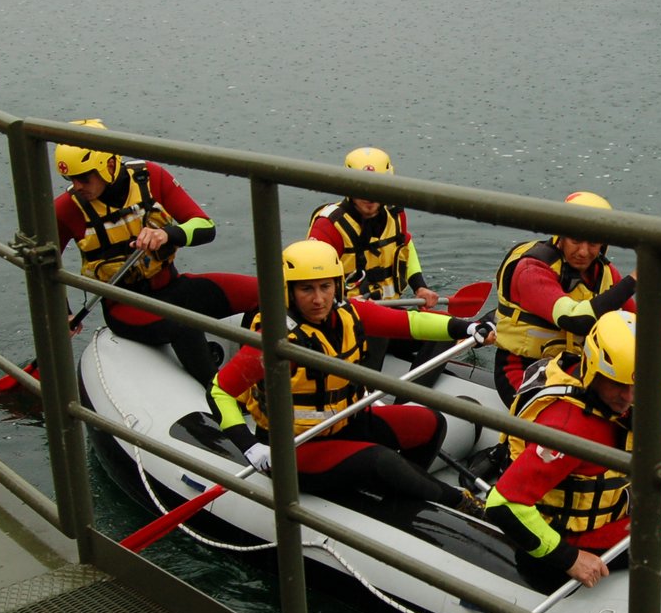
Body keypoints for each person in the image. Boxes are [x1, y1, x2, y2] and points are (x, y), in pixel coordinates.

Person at [485, 311, 661, 588]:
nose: (629, 397)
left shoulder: (613, 389)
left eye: (636, 385)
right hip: (563, 543)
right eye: (619, 386)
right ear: (595, 370)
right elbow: (503, 505)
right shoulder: (566, 428)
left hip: (605, 513)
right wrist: (569, 559)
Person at [207, 240, 493, 514]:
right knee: (380, 459)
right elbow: (219, 391)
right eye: (307, 289)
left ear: (337, 286)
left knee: (430, 423)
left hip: (346, 420)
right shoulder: (274, 341)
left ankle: (403, 497)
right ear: (289, 291)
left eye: (325, 286)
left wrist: (465, 328)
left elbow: (411, 323)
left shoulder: (349, 313)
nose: (319, 299)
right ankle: (459, 502)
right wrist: (250, 447)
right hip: (294, 448)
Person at [53, 119, 257, 386]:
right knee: (185, 325)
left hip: (173, 287)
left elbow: (205, 226)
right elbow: (44, 263)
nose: (77, 186)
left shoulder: (150, 177)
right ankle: (220, 395)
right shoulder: (66, 209)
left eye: (84, 177)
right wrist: (63, 312)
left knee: (265, 294)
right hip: (125, 306)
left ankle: (262, 375)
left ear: (109, 165)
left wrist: (166, 234)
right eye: (70, 179)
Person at [491, 190, 636, 407]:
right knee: (564, 416)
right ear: (561, 235)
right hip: (523, 370)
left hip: (573, 365)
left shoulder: (606, 274)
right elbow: (575, 320)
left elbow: (634, 322)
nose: (584, 252)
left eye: (594, 243)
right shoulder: (531, 269)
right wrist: (635, 279)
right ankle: (510, 441)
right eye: (575, 240)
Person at [307, 147, 444, 375]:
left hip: (389, 313)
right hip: (348, 321)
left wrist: (420, 286)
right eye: (361, 188)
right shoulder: (328, 226)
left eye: (377, 188)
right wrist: (342, 302)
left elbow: (404, 247)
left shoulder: (395, 214)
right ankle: (366, 395)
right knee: (375, 338)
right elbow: (310, 282)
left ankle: (410, 399)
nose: (370, 197)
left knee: (447, 332)